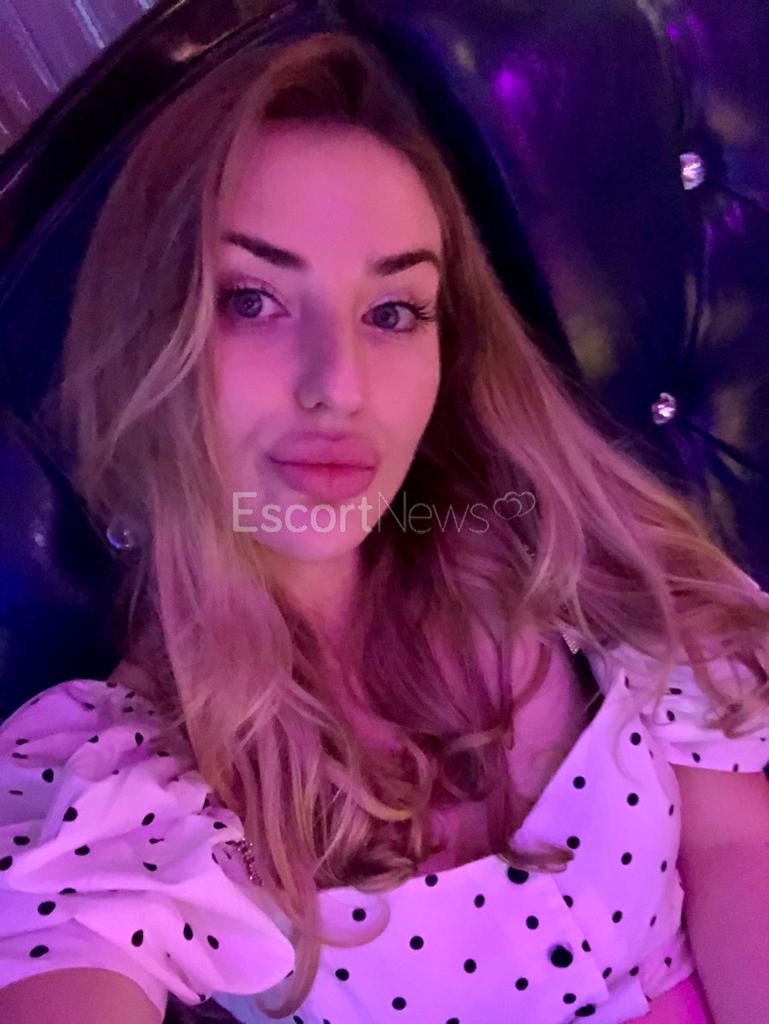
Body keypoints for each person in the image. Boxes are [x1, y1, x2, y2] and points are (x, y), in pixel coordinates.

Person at [0, 28, 768, 1024]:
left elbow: (733, 847)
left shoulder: (561, 553)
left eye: (394, 311)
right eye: (252, 299)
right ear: (155, 335)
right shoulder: (117, 787)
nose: (339, 385)